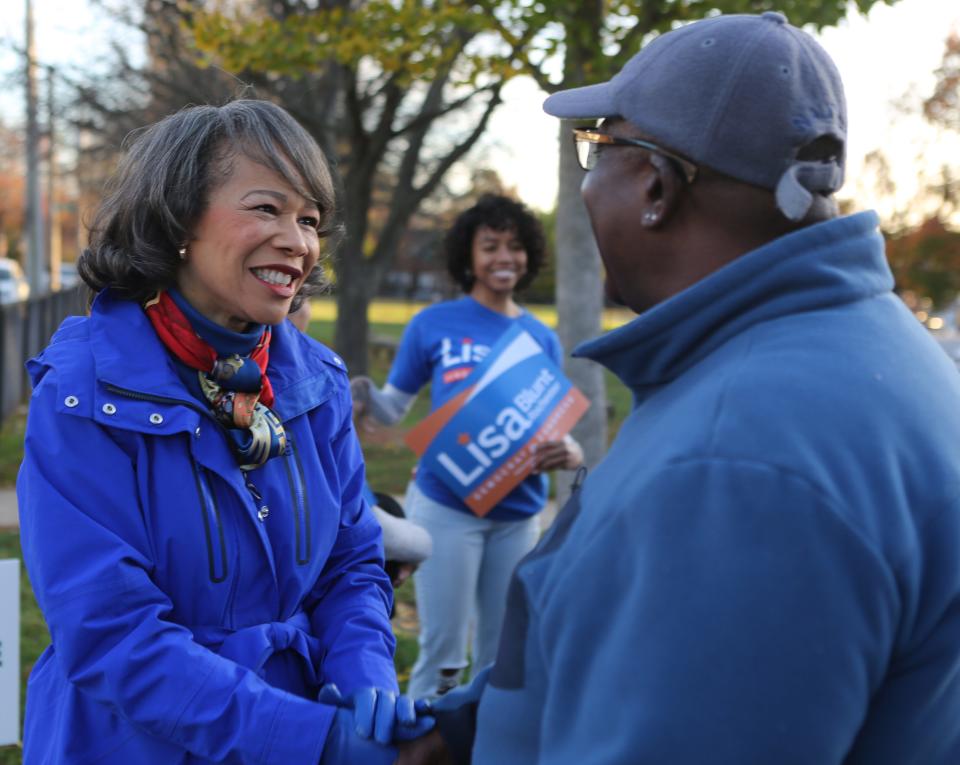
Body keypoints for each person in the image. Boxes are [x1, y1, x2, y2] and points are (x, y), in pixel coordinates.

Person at [399, 12, 960, 764]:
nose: (587, 180)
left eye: (596, 146)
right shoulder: (859, 348)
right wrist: (469, 726)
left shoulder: (736, 467)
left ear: (656, 187)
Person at [16, 100, 432, 764]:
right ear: (177, 218)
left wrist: (364, 676)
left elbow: (352, 563)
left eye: (309, 219)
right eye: (267, 209)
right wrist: (310, 740)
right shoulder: (82, 391)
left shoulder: (316, 380)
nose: (297, 241)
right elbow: (111, 632)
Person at [351, 194, 583, 700]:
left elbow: (547, 423)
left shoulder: (540, 338)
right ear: (468, 256)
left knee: (501, 659)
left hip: (518, 514)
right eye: (491, 245)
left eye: (516, 246)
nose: (505, 257)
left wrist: (572, 452)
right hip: (446, 508)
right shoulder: (432, 324)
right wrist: (363, 396)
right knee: (444, 656)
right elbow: (394, 408)